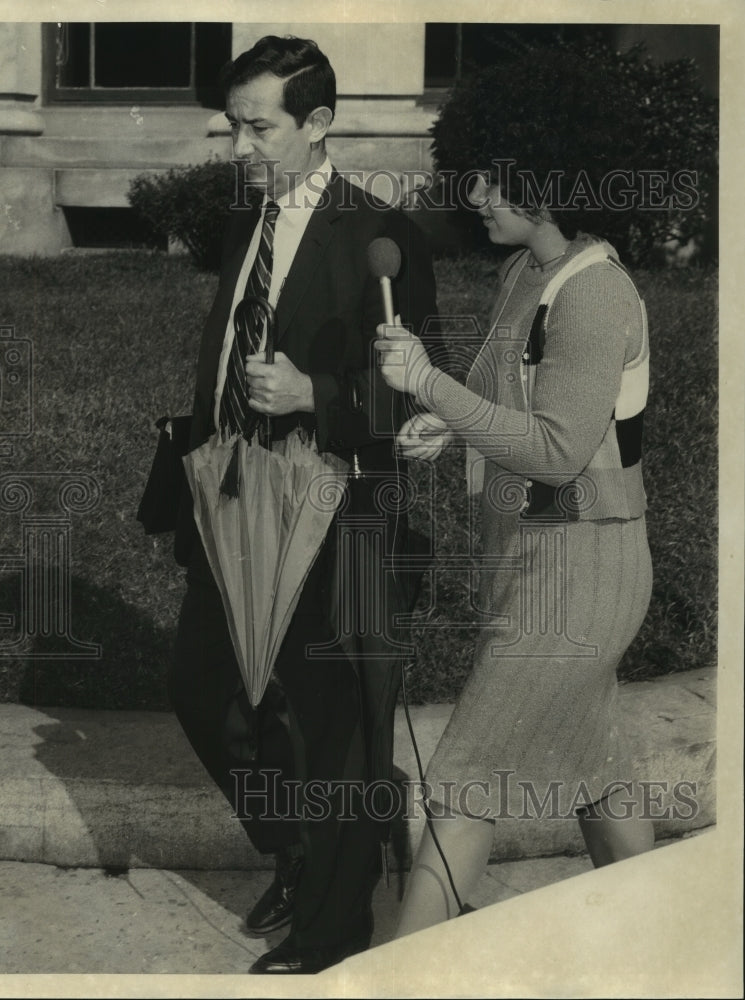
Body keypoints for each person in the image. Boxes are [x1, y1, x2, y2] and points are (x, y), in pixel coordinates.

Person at [168, 35, 439, 973]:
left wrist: (316, 398)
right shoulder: (253, 218)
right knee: (202, 690)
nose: (239, 144)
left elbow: (415, 393)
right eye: (233, 124)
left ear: (318, 124)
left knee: (334, 725)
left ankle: (332, 937)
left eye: (260, 126)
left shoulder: (382, 235)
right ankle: (296, 848)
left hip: (341, 516)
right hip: (238, 504)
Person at [375, 163, 655, 937]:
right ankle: (670, 942)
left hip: (581, 569)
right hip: (531, 558)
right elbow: (507, 397)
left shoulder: (594, 292)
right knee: (599, 776)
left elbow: (559, 451)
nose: (477, 199)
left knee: (465, 782)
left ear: (552, 187)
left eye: (496, 184)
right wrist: (450, 420)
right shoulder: (524, 271)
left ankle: (397, 977)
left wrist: (431, 388)